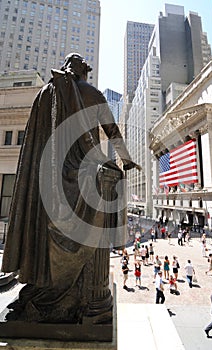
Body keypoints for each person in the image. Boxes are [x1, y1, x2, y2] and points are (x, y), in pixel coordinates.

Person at [1, 53, 140, 323]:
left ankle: (43, 284)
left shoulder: (44, 94)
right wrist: (127, 160)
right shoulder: (92, 93)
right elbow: (111, 130)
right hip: (84, 174)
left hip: (46, 178)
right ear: (82, 71)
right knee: (109, 186)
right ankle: (81, 296)